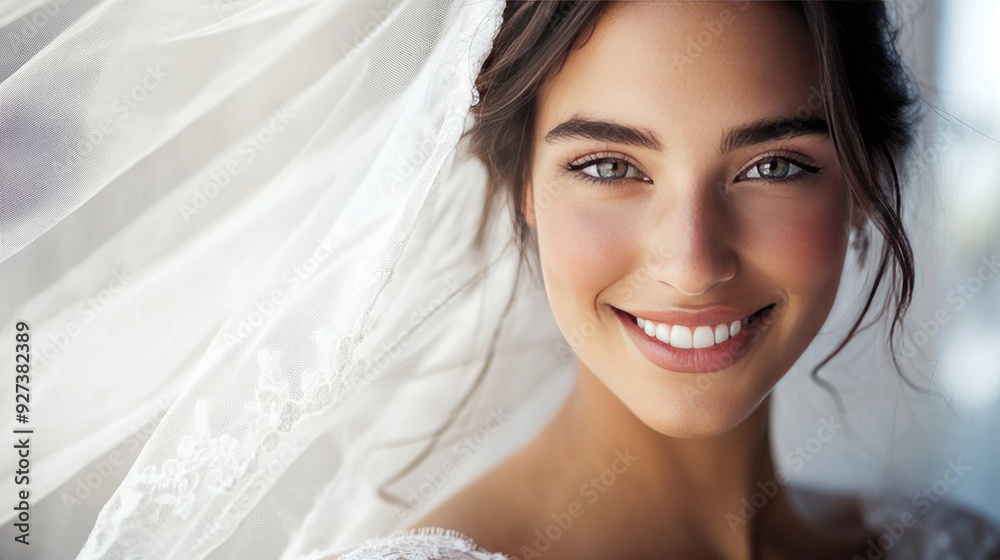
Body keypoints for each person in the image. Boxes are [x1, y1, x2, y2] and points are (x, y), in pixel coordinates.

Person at [0, 1, 996, 559]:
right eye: (609, 166)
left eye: (773, 164)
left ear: (864, 183)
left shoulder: (946, 539)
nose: (691, 259)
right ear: (518, 183)